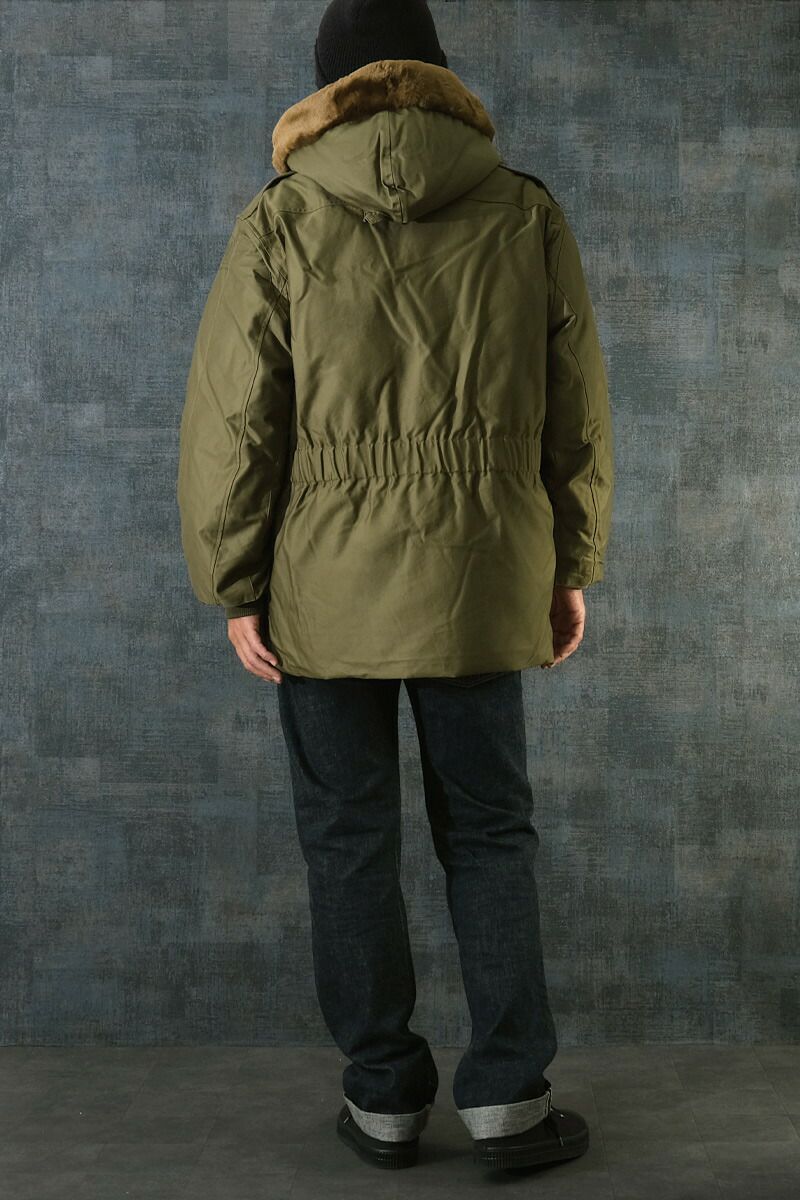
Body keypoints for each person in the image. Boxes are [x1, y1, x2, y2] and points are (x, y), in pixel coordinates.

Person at [177, 0, 614, 1175]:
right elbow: (575, 408)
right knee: (491, 835)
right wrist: (569, 563)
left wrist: (235, 582)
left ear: (326, 88)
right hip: (486, 571)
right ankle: (508, 1100)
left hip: (322, 587)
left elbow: (234, 421)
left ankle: (380, 1099)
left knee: (345, 838)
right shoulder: (521, 208)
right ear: (438, 75)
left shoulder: (281, 216)